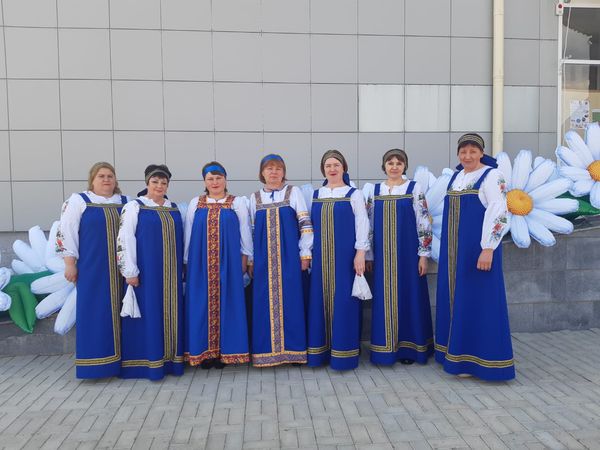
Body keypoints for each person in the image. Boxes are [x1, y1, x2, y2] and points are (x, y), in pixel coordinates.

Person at [435, 133, 515, 381]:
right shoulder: (457, 177)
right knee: (456, 299)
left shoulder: (491, 176)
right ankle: (455, 356)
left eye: (473, 151)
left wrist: (488, 248)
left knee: (479, 301)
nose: (467, 156)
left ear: (481, 152)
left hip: (477, 251)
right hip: (453, 253)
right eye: (463, 151)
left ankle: (480, 361)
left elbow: (499, 211)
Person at [56, 162, 127, 379]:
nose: (106, 179)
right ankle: (96, 365)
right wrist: (70, 263)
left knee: (124, 313)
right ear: (92, 180)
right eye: (101, 176)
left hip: (122, 271)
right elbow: (66, 232)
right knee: (95, 312)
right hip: (92, 268)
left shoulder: (126, 202)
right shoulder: (79, 201)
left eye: (110, 176)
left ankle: (123, 363)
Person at [363, 149, 434, 366]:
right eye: (390, 163)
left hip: (408, 255)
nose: (394, 167)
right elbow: (368, 225)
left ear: (405, 166)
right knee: (384, 299)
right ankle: (385, 349)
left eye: (399, 163)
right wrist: (369, 255)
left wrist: (423, 255)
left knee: (409, 296)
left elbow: (423, 221)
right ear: (383, 166)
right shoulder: (374, 191)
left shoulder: (414, 188)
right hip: (382, 258)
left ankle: (409, 349)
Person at [117, 164, 184, 380]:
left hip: (171, 273)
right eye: (155, 182)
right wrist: (129, 270)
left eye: (164, 182)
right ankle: (147, 364)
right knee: (149, 313)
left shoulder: (173, 208)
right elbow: (125, 238)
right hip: (146, 271)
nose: (159, 186)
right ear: (147, 183)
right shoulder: (134, 207)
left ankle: (171, 362)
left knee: (171, 313)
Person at [184, 162, 251, 369]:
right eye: (210, 179)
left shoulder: (237, 202)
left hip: (228, 261)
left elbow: (245, 232)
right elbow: (188, 234)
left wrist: (246, 259)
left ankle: (225, 352)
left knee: (228, 304)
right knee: (201, 305)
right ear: (205, 181)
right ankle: (204, 353)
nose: (215, 182)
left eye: (218, 178)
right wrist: (186, 261)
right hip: (200, 262)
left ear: (225, 179)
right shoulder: (196, 203)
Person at [248, 154, 313, 367]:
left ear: (284, 172)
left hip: (289, 258)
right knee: (264, 304)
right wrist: (251, 260)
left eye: (278, 168)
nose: (273, 172)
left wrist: (305, 253)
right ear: (262, 173)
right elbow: (251, 231)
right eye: (269, 168)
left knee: (292, 301)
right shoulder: (254, 198)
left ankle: (294, 351)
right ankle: (267, 352)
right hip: (263, 261)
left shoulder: (293, 192)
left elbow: (305, 224)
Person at [307, 150, 369, 371]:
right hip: (320, 260)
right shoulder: (315, 195)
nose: (332, 169)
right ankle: (321, 353)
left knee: (344, 302)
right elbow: (308, 227)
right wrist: (307, 253)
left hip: (345, 259)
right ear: (323, 169)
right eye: (328, 165)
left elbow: (362, 223)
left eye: (336, 165)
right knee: (319, 301)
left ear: (344, 168)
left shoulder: (354, 194)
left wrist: (360, 253)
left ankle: (344, 354)